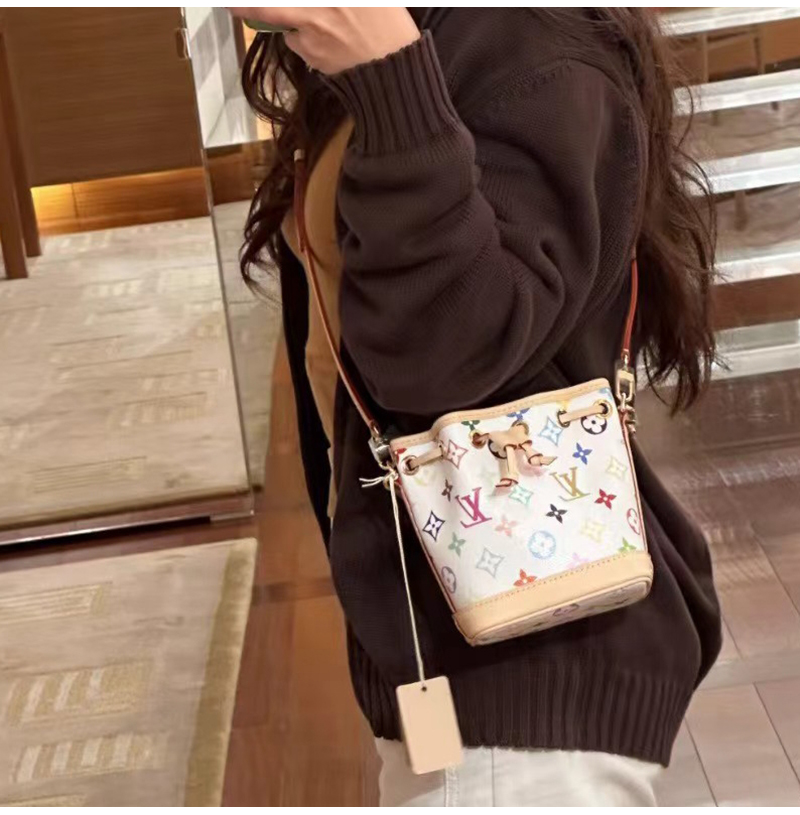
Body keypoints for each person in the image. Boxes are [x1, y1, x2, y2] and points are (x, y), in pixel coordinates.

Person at [232, 7, 722, 806]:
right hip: (467, 633)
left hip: (515, 670)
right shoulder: (438, 30)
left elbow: (448, 354)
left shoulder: (522, 46)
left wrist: (391, 83)